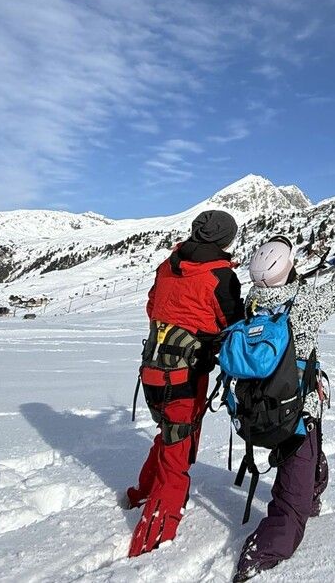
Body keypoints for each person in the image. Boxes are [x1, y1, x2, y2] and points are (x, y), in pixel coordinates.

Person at [233, 236, 335, 582]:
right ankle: (268, 548)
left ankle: (312, 498)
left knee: (311, 455)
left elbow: (285, 288)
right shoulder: (302, 304)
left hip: (266, 402)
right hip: (296, 408)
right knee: (294, 484)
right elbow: (333, 296)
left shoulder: (253, 301)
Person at [126, 209, 244, 557]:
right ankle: (156, 536)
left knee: (169, 434)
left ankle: (143, 493)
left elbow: (153, 307)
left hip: (152, 367)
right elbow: (231, 325)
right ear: (226, 240)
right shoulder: (220, 276)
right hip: (186, 374)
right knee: (179, 445)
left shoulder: (169, 262)